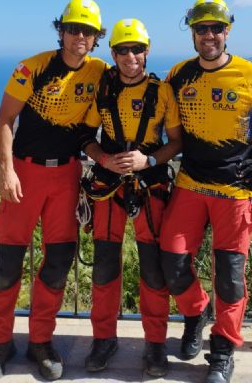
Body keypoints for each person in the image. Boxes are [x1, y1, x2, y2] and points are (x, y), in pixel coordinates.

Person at [159, 0, 252, 383]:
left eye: (216, 28)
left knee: (230, 277)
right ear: (192, 32)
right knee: (171, 263)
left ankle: (222, 351)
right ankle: (195, 313)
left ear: (228, 31)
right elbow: (160, 115)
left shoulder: (249, 74)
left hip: (235, 192)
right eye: (201, 28)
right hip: (190, 183)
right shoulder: (178, 74)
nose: (209, 35)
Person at [0, 0, 107, 383]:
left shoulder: (99, 71)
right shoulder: (32, 67)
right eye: (73, 29)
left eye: (87, 31)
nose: (79, 36)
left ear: (96, 37)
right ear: (61, 31)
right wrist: (7, 171)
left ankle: (41, 341)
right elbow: (5, 120)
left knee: (57, 265)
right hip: (25, 174)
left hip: (66, 177)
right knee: (7, 266)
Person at [78, 18, 182, 377]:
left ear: (147, 50)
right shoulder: (104, 90)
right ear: (113, 54)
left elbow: (176, 141)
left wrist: (149, 160)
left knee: (153, 269)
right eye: (122, 50)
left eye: (136, 49)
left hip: (149, 183)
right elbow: (85, 137)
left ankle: (155, 344)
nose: (130, 56)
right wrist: (104, 158)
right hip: (109, 186)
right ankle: (103, 338)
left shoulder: (162, 91)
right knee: (106, 265)